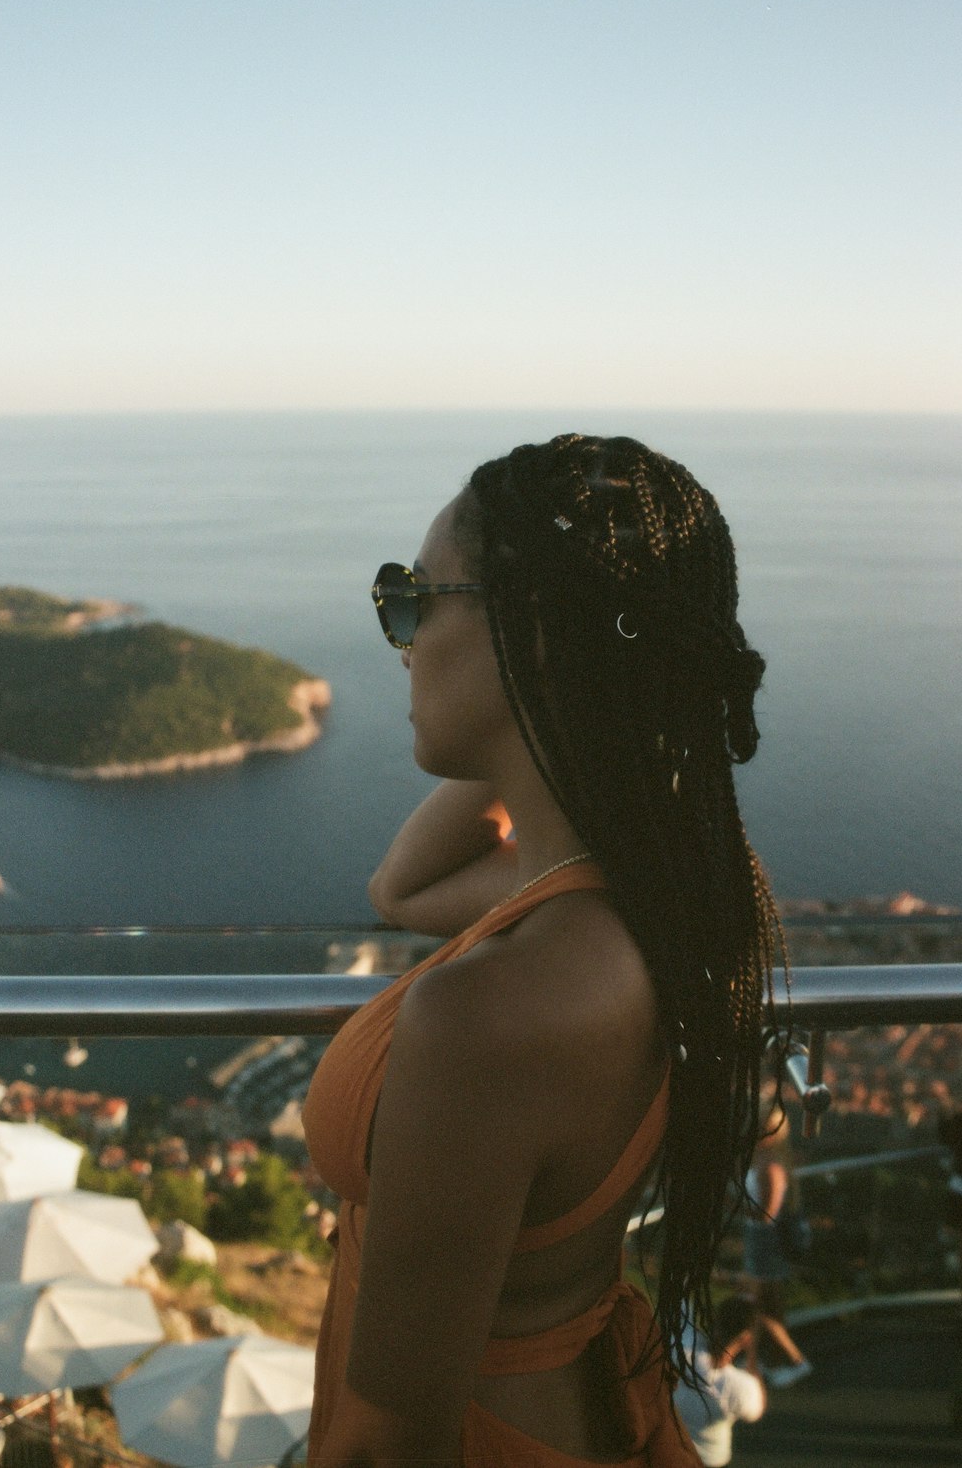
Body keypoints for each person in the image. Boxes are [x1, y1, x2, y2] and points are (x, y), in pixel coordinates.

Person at [302, 434, 789, 1464]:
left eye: (411, 598)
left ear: (529, 632)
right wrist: (558, 700)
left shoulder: (495, 1008)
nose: (398, 637)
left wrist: (542, 685)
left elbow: (391, 1443)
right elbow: (405, 890)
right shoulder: (657, 892)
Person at [742, 1109, 812, 1386]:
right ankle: (768, 1362)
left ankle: (793, 1361)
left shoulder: (771, 1165)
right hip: (760, 1242)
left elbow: (767, 1214)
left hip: (764, 1243)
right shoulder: (767, 1158)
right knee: (767, 1307)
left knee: (758, 1308)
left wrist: (735, 1208)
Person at [673, 1297, 766, 1466]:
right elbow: (755, 1412)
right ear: (746, 1339)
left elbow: (680, 1301)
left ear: (715, 1320)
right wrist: (752, 1353)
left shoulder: (681, 1346)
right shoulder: (743, 1387)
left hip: (667, 1454)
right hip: (710, 1461)